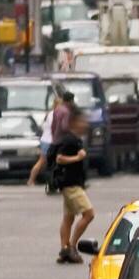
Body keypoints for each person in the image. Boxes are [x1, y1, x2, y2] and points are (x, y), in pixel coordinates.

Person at [52, 111, 96, 264]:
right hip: (71, 185)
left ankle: (65, 248)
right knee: (89, 214)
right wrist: (77, 158)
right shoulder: (70, 140)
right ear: (74, 123)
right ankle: (71, 246)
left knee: (68, 217)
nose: (85, 125)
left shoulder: (76, 139)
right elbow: (60, 158)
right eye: (82, 122)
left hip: (72, 184)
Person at [29, 91, 74, 193]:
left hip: (45, 140)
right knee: (51, 163)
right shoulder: (57, 114)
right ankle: (35, 181)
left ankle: (35, 181)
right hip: (51, 141)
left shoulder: (49, 114)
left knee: (45, 163)